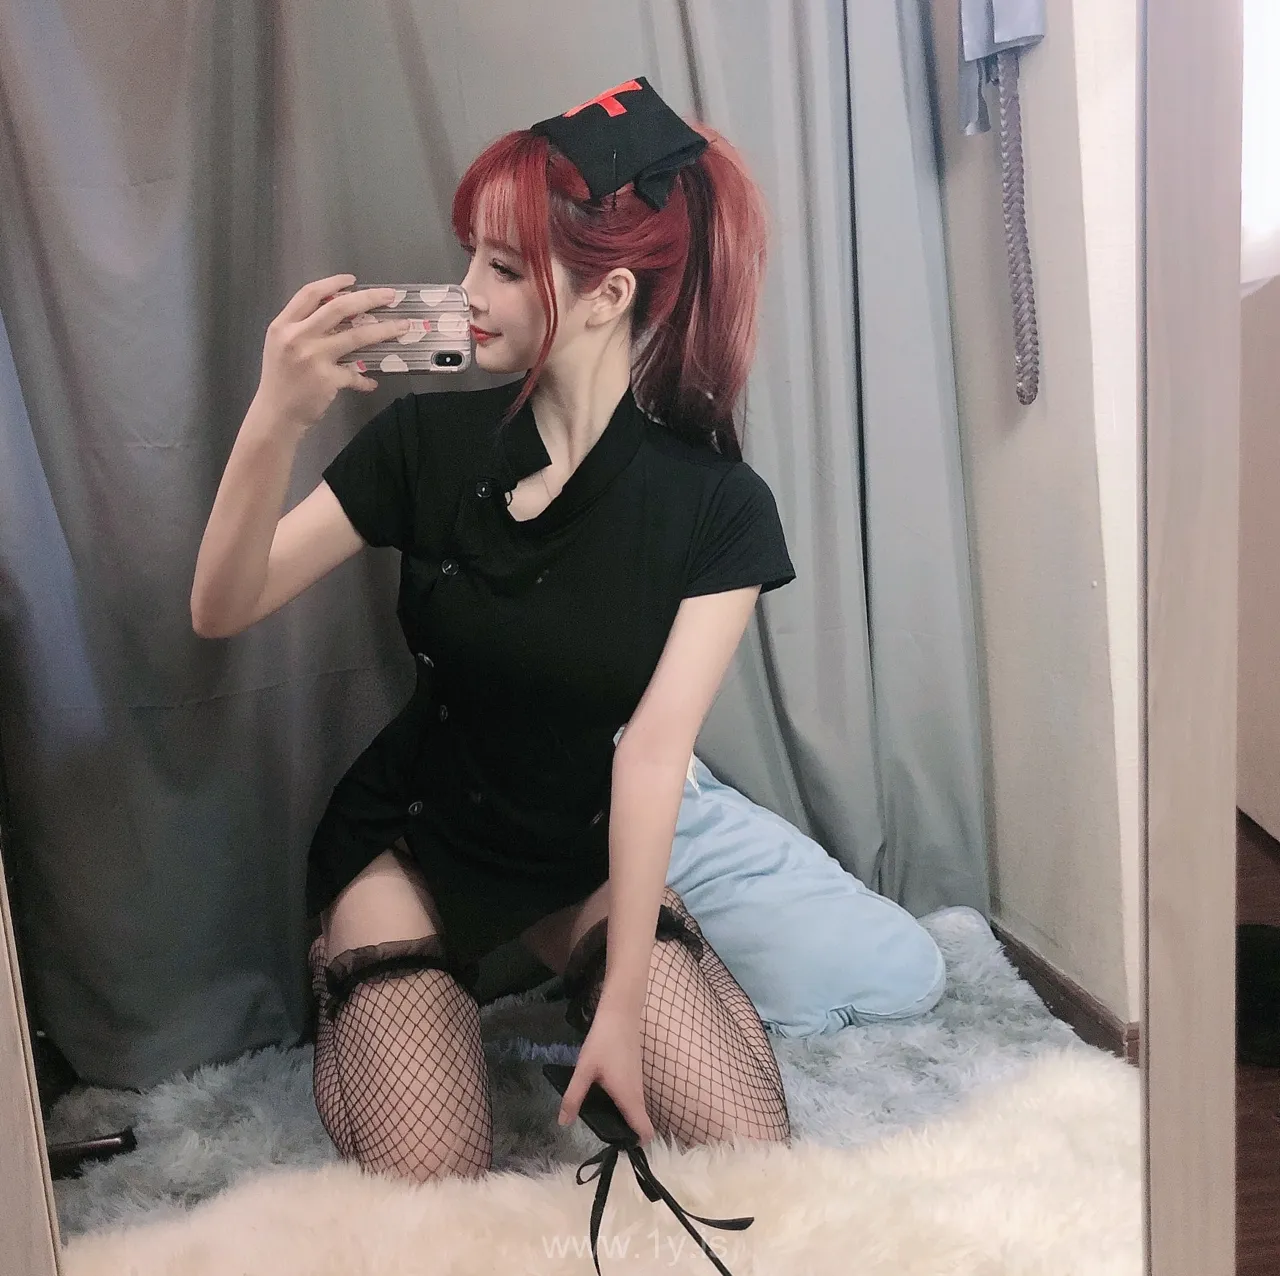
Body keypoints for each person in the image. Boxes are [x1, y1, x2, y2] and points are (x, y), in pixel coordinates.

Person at [191, 77, 795, 1186]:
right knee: (435, 1181)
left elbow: (651, 755)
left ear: (609, 295)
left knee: (749, 1139)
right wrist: (275, 415)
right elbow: (220, 607)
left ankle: (571, 981)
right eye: (469, 256)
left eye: (504, 268)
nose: (464, 294)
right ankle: (361, 981)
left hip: (573, 845)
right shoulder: (423, 446)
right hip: (413, 837)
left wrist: (619, 1005)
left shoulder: (718, 509)